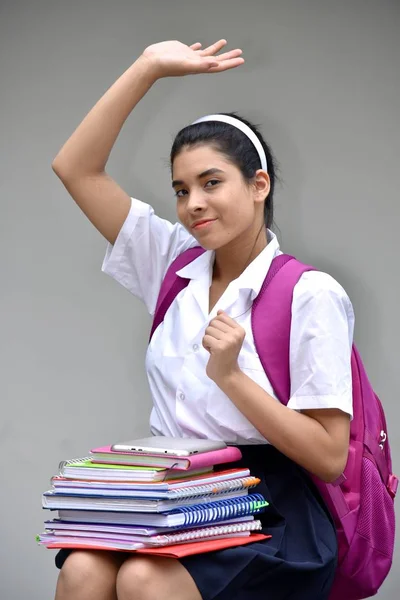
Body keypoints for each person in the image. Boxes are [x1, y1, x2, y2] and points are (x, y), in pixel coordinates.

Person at [51, 39, 354, 600]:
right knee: (82, 571)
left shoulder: (309, 294)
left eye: (212, 183)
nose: (193, 203)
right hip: (172, 490)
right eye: (181, 189)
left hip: (265, 505)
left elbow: (330, 458)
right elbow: (75, 168)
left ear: (258, 185)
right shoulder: (172, 263)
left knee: (143, 578)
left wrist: (232, 377)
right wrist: (148, 68)